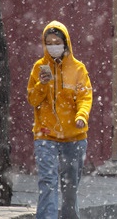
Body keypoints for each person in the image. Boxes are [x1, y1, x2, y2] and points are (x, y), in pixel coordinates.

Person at [27, 21, 93, 219]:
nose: (53, 46)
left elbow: (85, 97)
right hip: (45, 134)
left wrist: (81, 116)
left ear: (66, 43)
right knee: (47, 181)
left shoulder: (78, 69)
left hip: (74, 136)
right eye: (49, 42)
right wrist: (41, 84)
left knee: (70, 188)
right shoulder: (39, 68)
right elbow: (32, 99)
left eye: (57, 42)